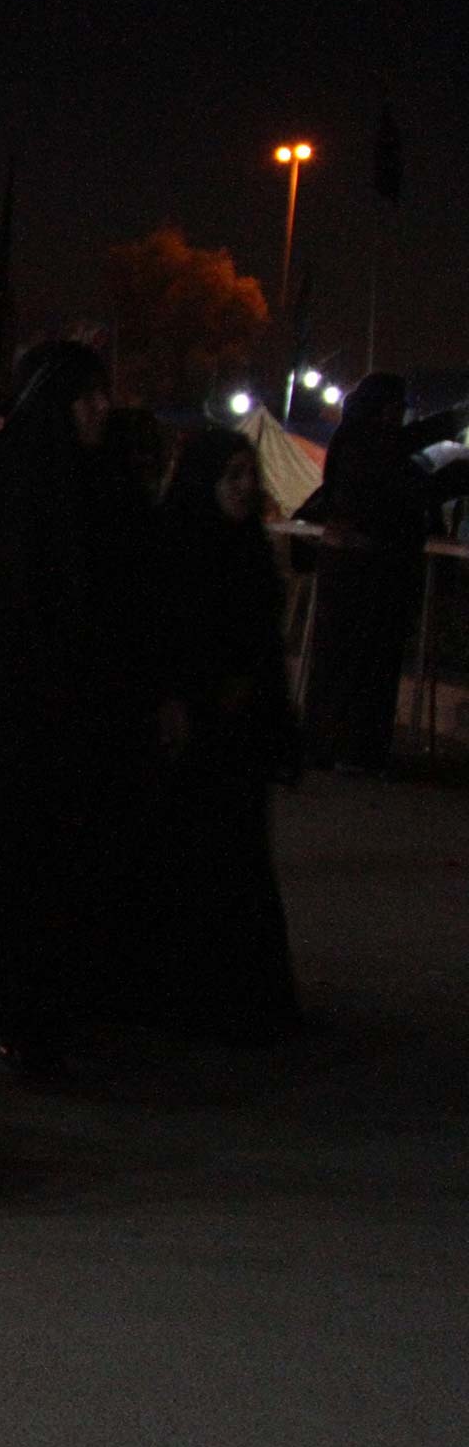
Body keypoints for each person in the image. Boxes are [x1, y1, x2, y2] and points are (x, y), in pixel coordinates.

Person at [0, 339, 150, 1072]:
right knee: (14, 869)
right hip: (11, 724)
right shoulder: (6, 488)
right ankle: (16, 1017)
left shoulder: (90, 482)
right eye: (86, 396)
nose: (101, 408)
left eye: (103, 393)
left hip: (69, 724)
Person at [147, 431, 303, 1042]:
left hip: (240, 732)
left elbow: (262, 644)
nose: (243, 488)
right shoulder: (178, 548)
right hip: (196, 730)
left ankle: (243, 997)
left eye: (248, 475)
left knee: (239, 861)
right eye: (230, 476)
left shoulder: (248, 550)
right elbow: (167, 636)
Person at [303, 374, 469, 772]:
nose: (398, 416)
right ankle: (349, 749)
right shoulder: (367, 447)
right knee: (361, 669)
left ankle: (338, 746)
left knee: (350, 668)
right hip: (365, 575)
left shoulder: (361, 442)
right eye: (394, 408)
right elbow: (404, 489)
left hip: (359, 574)